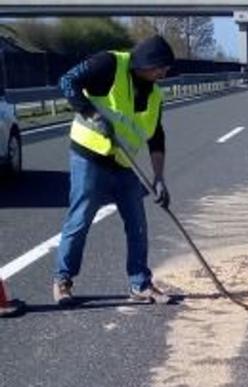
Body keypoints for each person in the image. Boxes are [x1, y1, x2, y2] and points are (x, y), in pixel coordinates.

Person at [52, 35, 174, 306]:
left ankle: (140, 283)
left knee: (137, 224)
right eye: (161, 67)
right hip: (89, 157)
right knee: (80, 219)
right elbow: (67, 81)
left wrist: (159, 179)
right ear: (146, 62)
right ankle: (63, 281)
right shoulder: (108, 64)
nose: (164, 73)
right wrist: (91, 114)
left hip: (123, 163)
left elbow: (156, 138)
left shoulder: (155, 95)